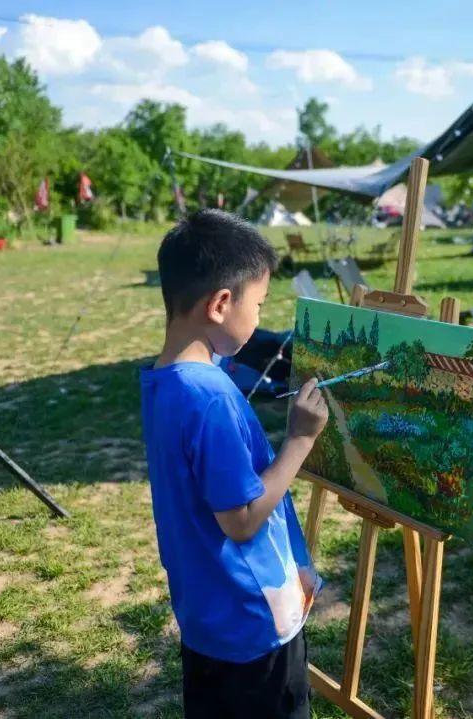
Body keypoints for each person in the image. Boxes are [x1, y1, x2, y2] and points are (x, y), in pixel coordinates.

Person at [140, 210, 328, 718]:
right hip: (252, 624)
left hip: (208, 615)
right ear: (221, 303)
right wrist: (299, 440)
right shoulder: (209, 398)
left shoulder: (166, 380)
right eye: (259, 305)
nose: (260, 318)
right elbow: (241, 520)